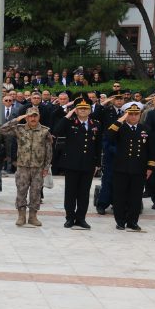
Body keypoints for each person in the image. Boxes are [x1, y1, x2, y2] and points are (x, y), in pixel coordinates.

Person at [0, 106, 53, 227]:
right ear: (26, 117)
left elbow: (49, 151)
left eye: (35, 116)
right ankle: (21, 216)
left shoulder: (45, 131)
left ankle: (33, 216)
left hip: (38, 168)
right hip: (22, 167)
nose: (33, 118)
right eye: (30, 116)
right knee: (21, 191)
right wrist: (17, 119)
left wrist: (46, 167)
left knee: (36, 192)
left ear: (39, 117)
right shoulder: (19, 129)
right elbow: (2, 129)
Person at [53, 97, 102, 229]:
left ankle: (81, 218)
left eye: (86, 108)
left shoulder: (96, 124)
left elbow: (98, 145)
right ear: (76, 110)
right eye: (80, 108)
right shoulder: (69, 123)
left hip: (88, 163)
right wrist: (69, 114)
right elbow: (56, 131)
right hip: (71, 163)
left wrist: (98, 163)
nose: (83, 110)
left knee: (84, 193)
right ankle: (69, 217)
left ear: (90, 110)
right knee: (70, 192)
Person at [105, 101, 154, 232]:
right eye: (130, 114)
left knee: (136, 197)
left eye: (136, 114)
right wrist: (120, 119)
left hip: (139, 169)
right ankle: (120, 221)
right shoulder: (120, 127)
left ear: (140, 115)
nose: (133, 117)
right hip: (121, 168)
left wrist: (150, 167)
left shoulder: (145, 129)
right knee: (120, 196)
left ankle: (133, 221)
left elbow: (152, 150)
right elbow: (109, 136)